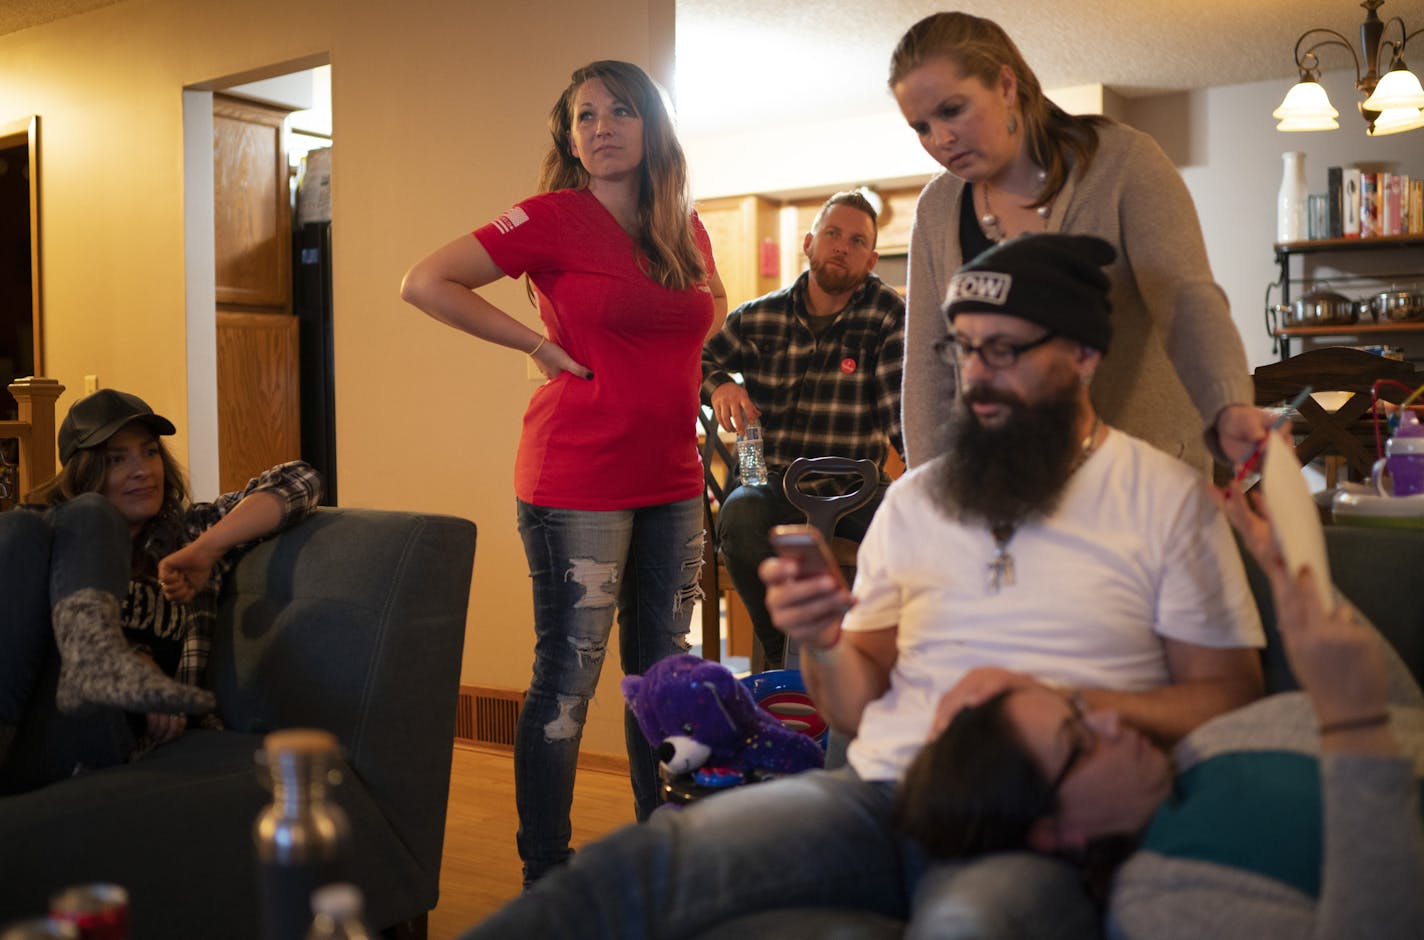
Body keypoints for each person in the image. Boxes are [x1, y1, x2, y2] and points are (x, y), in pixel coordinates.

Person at [455, 233, 1265, 938]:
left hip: (1033, 820)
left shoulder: (1165, 500)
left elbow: (1226, 697)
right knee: (647, 861)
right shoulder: (919, 499)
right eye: (963, 351)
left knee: (969, 925)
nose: (975, 379)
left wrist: (1053, 707)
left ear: (1083, 355)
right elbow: (850, 706)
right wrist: (820, 637)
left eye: (1005, 352)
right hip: (881, 795)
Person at [400, 60, 728, 886]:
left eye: (621, 111)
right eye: (584, 116)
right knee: (570, 679)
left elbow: (705, 310)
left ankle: (669, 847)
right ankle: (546, 871)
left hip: (674, 477)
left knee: (665, 673)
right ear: (569, 137)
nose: (602, 127)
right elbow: (425, 281)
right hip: (575, 479)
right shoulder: (550, 218)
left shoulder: (685, 226)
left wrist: (698, 376)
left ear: (652, 125)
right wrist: (536, 345)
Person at [899, 480, 1424, 940]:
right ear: (1054, 832)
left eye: (1078, 707)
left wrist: (1298, 587)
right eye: (1080, 742)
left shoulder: (1224, 737)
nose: (1111, 720)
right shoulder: (1162, 900)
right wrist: (1354, 727)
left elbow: (1403, 714)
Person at [888, 12, 1269, 474]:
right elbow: (930, 369)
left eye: (951, 110)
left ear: (1006, 86)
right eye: (921, 127)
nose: (940, 139)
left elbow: (1186, 300)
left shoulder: (1124, 164)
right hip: (1009, 492)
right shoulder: (937, 208)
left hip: (1142, 479)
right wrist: (933, 492)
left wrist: (1228, 405)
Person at [0, 388, 321, 793]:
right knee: (25, 525)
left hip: (98, 732)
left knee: (82, 515)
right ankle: (96, 663)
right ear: (84, 471)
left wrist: (207, 548)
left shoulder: (187, 535)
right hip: (28, 727)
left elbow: (302, 480)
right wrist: (132, 655)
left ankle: (97, 666)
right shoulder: (48, 540)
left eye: (149, 452)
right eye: (117, 459)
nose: (142, 470)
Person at [702, 190, 905, 669]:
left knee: (913, 535)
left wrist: (926, 484)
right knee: (739, 516)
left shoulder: (887, 315)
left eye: (857, 241)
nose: (842, 247)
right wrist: (718, 388)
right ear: (810, 243)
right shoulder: (758, 316)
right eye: (833, 234)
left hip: (857, 487)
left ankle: (864, 659)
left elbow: (900, 411)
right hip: (770, 479)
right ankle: (781, 655)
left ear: (871, 259)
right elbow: (698, 358)